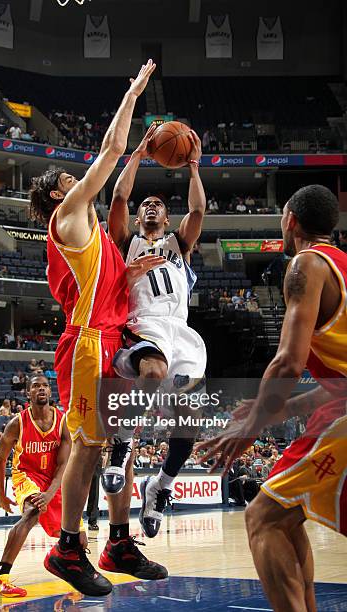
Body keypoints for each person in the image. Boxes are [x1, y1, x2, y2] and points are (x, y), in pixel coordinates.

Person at [29, 59, 166, 597]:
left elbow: (95, 286)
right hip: (87, 346)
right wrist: (132, 94)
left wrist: (127, 273)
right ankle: (67, 546)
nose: (79, 178)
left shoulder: (94, 240)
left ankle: (118, 538)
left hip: (111, 335)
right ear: (57, 198)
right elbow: (109, 152)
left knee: (119, 437)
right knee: (89, 447)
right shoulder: (66, 218)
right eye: (71, 180)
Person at [195, 184, 347, 612]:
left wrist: (251, 426)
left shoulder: (306, 264)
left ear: (291, 220)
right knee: (285, 509)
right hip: (338, 407)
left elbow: (286, 364)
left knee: (261, 517)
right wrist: (287, 407)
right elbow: (338, 382)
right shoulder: (343, 267)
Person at [105, 125, 207, 537]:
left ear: (167, 217)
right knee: (152, 373)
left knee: (190, 425)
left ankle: (160, 486)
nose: (150, 207)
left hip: (180, 331)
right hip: (142, 323)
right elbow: (117, 197)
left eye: (158, 205)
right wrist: (138, 155)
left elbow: (198, 211)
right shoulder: (126, 240)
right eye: (145, 204)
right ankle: (122, 443)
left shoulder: (179, 245)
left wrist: (195, 168)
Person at [0, 374, 85, 597]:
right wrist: (1, 495)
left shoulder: (62, 422)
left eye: (45, 386)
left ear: (50, 392)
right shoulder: (17, 423)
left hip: (54, 478)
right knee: (32, 512)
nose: (41, 389)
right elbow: (0, 460)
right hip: (26, 475)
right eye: (35, 386)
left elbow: (63, 466)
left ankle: (76, 571)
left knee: (79, 533)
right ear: (27, 393)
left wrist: (50, 494)